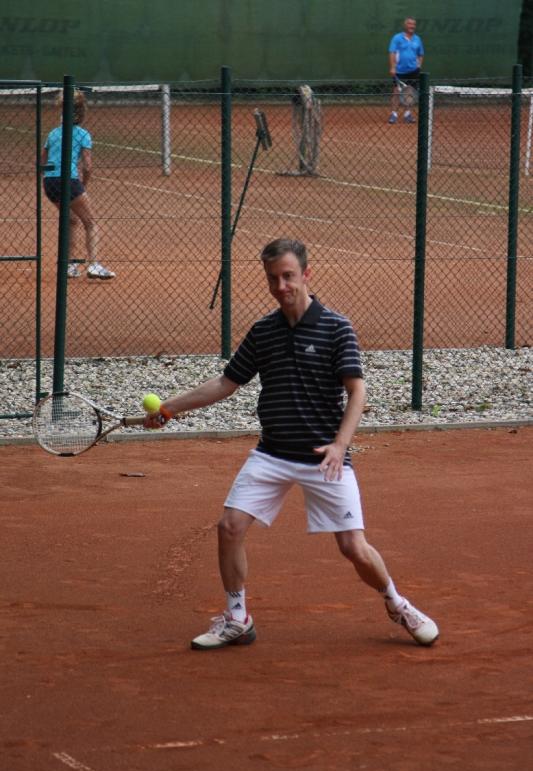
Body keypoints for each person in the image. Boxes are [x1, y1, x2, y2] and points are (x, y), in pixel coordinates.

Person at [145, 239, 439, 651]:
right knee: (230, 526)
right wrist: (169, 408)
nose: (281, 286)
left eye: (288, 276)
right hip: (273, 454)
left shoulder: (336, 327)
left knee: (353, 547)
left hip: (324, 457)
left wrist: (340, 445)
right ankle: (237, 618)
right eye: (273, 279)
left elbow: (357, 392)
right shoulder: (263, 331)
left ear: (306, 274)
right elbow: (227, 382)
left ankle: (397, 603)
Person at [41, 90, 115, 280]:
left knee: (71, 220)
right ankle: (94, 265)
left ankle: (69, 265)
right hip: (70, 180)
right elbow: (88, 166)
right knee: (90, 222)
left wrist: (50, 177)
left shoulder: (53, 134)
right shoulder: (83, 134)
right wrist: (83, 185)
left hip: (50, 182)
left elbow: (42, 162)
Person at [388, 17, 424, 124]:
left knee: (410, 92)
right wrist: (393, 67)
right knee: (396, 92)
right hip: (399, 71)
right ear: (405, 25)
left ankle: (407, 114)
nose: (411, 26)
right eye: (409, 24)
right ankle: (393, 114)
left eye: (413, 24)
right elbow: (392, 52)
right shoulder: (397, 38)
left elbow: (421, 54)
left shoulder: (417, 39)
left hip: (413, 71)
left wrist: (419, 65)